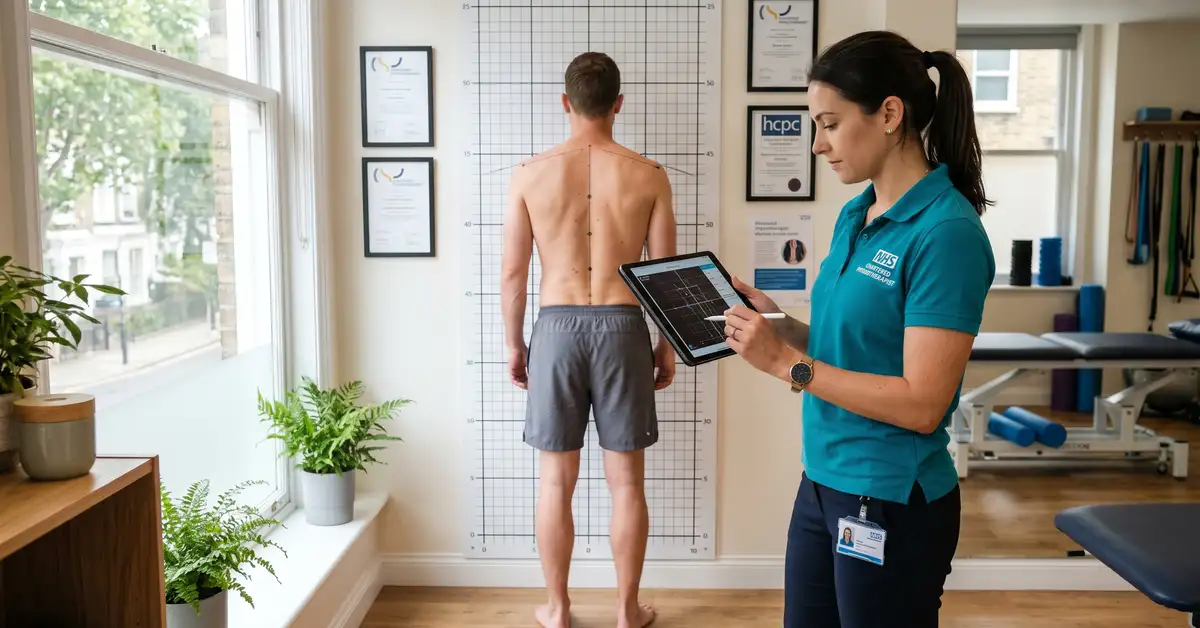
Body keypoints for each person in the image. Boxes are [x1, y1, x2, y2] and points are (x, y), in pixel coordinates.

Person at [720, 31, 995, 627]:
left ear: (890, 114)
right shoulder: (858, 212)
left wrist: (781, 363)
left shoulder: (946, 235)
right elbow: (851, 345)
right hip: (822, 481)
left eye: (829, 123)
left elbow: (923, 404)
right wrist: (779, 324)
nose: (817, 144)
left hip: (890, 496)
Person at [500, 51, 678, 628]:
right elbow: (666, 274)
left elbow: (512, 275)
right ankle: (627, 612)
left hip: (555, 326)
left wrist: (515, 345)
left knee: (556, 480)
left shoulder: (530, 174)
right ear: (618, 104)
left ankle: (558, 609)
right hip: (625, 328)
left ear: (565, 103)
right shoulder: (649, 175)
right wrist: (666, 345)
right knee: (626, 484)